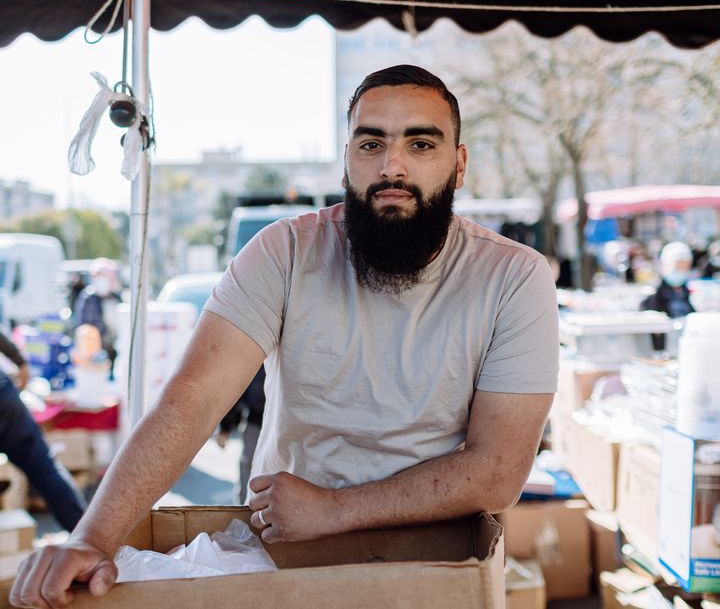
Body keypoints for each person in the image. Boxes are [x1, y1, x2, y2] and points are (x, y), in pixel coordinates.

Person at [11, 65, 559, 608]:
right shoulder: (284, 251)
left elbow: (497, 471)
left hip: (437, 562)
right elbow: (192, 401)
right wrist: (91, 539)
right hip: (280, 556)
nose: (393, 167)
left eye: (421, 144)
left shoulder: (515, 276)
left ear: (458, 164)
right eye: (371, 144)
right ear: (347, 159)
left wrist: (335, 509)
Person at [0, 330, 85, 533]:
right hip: (4, 395)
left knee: (46, 470)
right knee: (46, 470)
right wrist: (20, 361)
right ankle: (89, 538)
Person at [215, 366, 266, 504]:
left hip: (287, 424)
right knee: (248, 469)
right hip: (255, 421)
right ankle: (243, 511)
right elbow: (238, 389)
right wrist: (226, 427)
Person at [73, 259, 122, 379]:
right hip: (96, 352)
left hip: (115, 348)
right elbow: (84, 326)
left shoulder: (116, 298)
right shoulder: (88, 298)